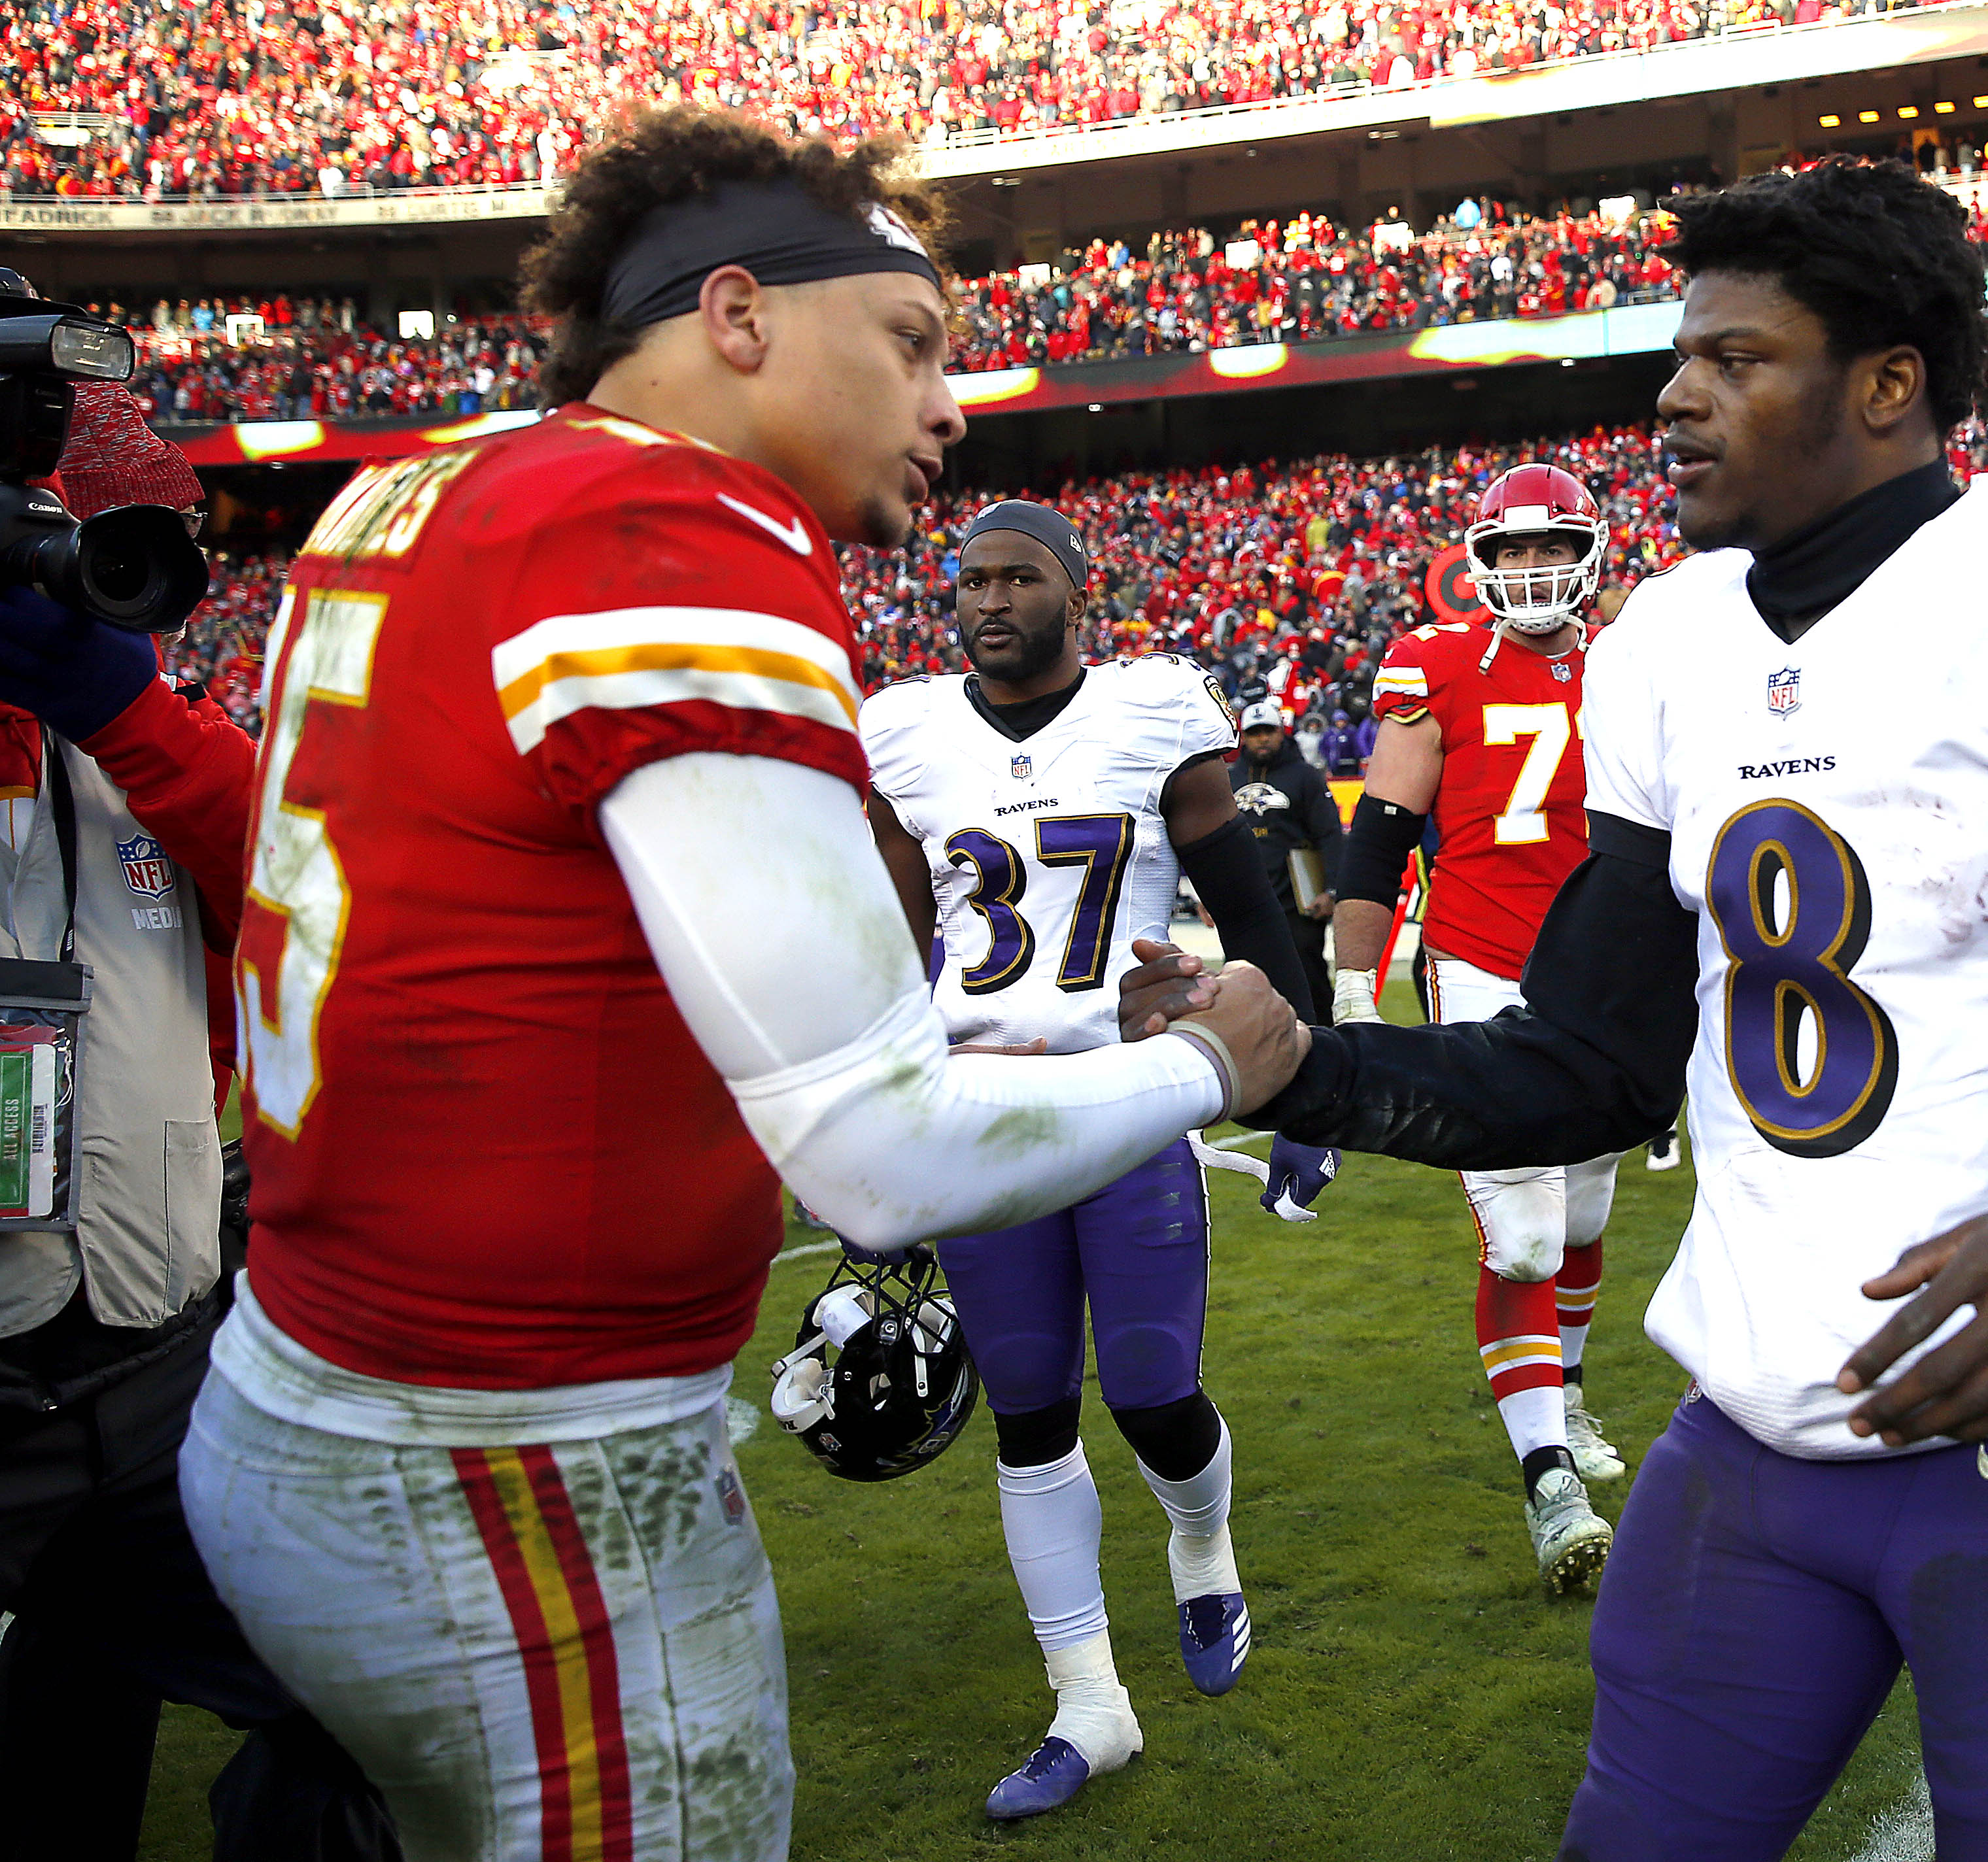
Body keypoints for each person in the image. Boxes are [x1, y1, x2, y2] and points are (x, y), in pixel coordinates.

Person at [1123, 159, 1988, 1857]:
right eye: (1683, 355)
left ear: (1885, 386)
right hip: (1746, 1436)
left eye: (1736, 357)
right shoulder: (1666, 642)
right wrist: (1309, 1069)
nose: (1676, 392)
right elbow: (1590, 1058)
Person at [177, 109, 1300, 1861]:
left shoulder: (409, 489)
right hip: (511, 1456)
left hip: (295, 1382)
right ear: (741, 317)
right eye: (914, 344)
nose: (948, 405)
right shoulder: (672, 525)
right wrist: (1220, 1062)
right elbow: (874, 1147)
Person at [861, 499, 1336, 1820]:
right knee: (1024, 1405)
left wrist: (1310, 1085)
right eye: (969, 581)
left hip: (1123, 1103)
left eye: (1018, 577)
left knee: (1145, 1380)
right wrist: (875, 1139)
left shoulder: (1150, 710)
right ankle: (1088, 1700)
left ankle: (1201, 1538)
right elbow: (894, 958)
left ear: (1078, 589)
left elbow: (1247, 904)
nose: (988, 600)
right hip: (980, 1117)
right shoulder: (901, 733)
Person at [0, 336, 396, 1859]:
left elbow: (307, 904)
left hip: (143, 1350)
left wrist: (117, 702)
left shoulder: (137, 719)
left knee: (348, 1707)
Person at [1329, 461, 1628, 1597]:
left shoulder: (1632, 660)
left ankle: (1571, 1385)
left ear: (1588, 551)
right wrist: (1355, 994)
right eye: (1506, 551)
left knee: (1587, 1210)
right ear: (1477, 560)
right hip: (1480, 965)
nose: (1529, 568)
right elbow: (1381, 832)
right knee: (1523, 1239)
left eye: (1549, 545)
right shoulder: (1436, 659)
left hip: (1603, 972)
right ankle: (1549, 1477)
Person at [1229, 698, 1342, 1014]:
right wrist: (1208, 896)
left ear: (1282, 732)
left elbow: (1330, 834)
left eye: (1269, 731)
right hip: (1245, 902)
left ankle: (1323, 1044)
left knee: (1308, 979)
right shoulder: (1229, 780)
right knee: (1243, 982)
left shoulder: (1305, 777)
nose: (1262, 739)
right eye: (1254, 733)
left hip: (1299, 900)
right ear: (1243, 737)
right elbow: (1214, 843)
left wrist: (1332, 889)